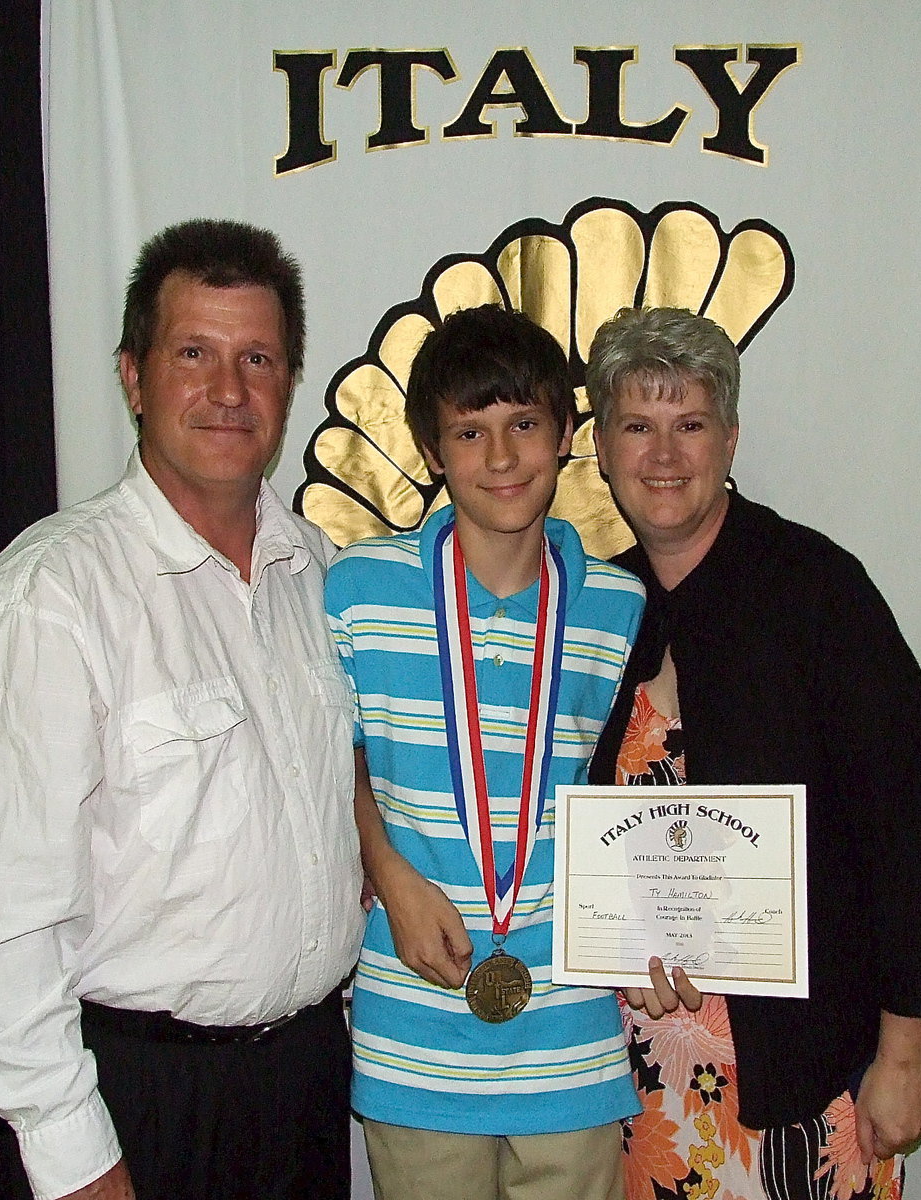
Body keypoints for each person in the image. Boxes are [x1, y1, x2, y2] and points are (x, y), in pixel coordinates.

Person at [0, 219, 365, 1200]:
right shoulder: (49, 600)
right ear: (132, 376)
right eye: (192, 355)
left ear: (290, 381)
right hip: (142, 1106)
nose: (229, 391)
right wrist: (78, 1158)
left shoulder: (323, 582)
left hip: (306, 1090)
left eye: (258, 358)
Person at [585, 306, 921, 1200]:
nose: (663, 455)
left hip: (804, 1083)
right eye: (637, 426)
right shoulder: (597, 607)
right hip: (637, 1083)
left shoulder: (818, 593)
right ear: (603, 448)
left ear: (730, 438)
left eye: (689, 424)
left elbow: (911, 827)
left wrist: (904, 1052)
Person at [325, 304, 648, 1200]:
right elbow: (327, 761)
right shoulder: (359, 592)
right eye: (469, 433)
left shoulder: (619, 608)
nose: (500, 459)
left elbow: (642, 790)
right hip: (412, 1023)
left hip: (572, 1035)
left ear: (566, 435)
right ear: (432, 450)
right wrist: (386, 867)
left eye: (523, 426)